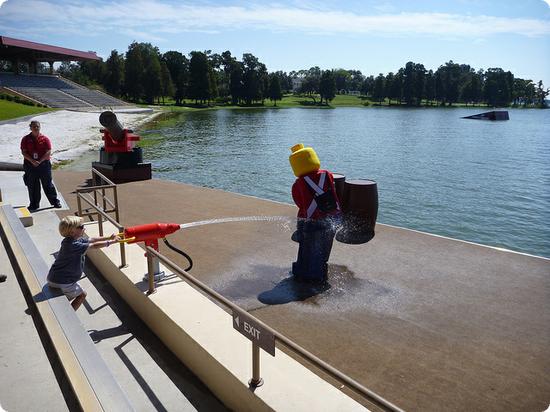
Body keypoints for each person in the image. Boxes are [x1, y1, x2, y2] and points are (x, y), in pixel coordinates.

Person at [289, 143, 342, 283]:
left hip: (311, 221)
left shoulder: (299, 183)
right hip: (333, 217)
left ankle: (304, 272)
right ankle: (321, 272)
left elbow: (299, 203)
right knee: (324, 247)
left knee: (306, 247)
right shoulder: (327, 174)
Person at [47, 216, 120, 310]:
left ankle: (62, 307)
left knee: (71, 295)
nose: (83, 228)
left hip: (55, 277)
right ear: (72, 231)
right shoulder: (72, 244)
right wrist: (112, 242)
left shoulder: (74, 240)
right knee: (82, 295)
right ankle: (69, 316)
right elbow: (93, 245)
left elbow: (92, 239)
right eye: (81, 227)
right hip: (62, 281)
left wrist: (109, 237)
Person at [21, 120, 61, 211]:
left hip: (43, 165)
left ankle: (55, 201)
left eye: (37, 126)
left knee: (48, 184)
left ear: (40, 127)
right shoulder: (25, 139)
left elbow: (48, 152)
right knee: (33, 185)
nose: (36, 128)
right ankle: (34, 204)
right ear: (30, 128)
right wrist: (32, 161)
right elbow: (24, 152)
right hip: (30, 165)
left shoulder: (45, 139)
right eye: (34, 126)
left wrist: (39, 161)